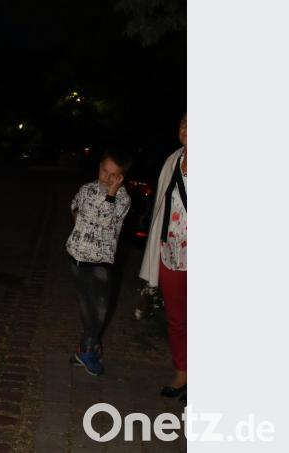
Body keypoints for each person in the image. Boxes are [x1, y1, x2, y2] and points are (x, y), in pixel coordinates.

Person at [66, 149, 132, 376]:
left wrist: (111, 194)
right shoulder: (87, 188)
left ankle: (86, 348)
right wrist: (78, 221)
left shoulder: (122, 199)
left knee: (101, 308)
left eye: (113, 174)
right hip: (78, 256)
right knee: (86, 306)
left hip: (101, 259)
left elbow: (105, 221)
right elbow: (74, 204)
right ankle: (88, 347)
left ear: (121, 177)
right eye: (104, 170)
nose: (106, 177)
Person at [140, 113, 187, 401]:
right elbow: (160, 207)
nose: (186, 130)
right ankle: (183, 371)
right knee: (176, 318)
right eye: (183, 124)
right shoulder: (173, 161)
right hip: (171, 252)